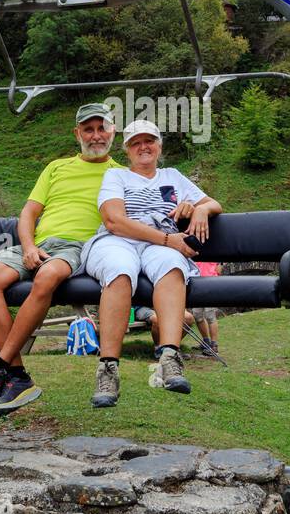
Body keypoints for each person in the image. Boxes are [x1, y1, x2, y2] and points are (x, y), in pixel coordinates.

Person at [0, 104, 122, 415]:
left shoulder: (120, 174)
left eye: (101, 128)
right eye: (88, 129)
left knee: (48, 276)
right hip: (38, 244)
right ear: (77, 133)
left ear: (113, 132)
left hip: (78, 247)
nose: (95, 136)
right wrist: (27, 246)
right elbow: (29, 213)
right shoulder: (55, 168)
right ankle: (18, 375)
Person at [81, 119, 223, 407]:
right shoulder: (117, 178)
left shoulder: (173, 176)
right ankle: (108, 367)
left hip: (160, 246)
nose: (143, 147)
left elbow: (213, 203)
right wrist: (169, 239)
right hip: (121, 240)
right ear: (127, 151)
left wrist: (199, 210)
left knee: (171, 266)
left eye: (149, 141)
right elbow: (114, 221)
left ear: (159, 146)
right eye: (136, 143)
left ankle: (169, 356)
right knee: (119, 270)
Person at [192, 261, 222, 358]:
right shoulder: (194, 248)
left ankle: (214, 346)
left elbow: (219, 269)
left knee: (210, 315)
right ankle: (206, 342)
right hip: (197, 284)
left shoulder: (214, 249)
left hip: (211, 284)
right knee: (197, 315)